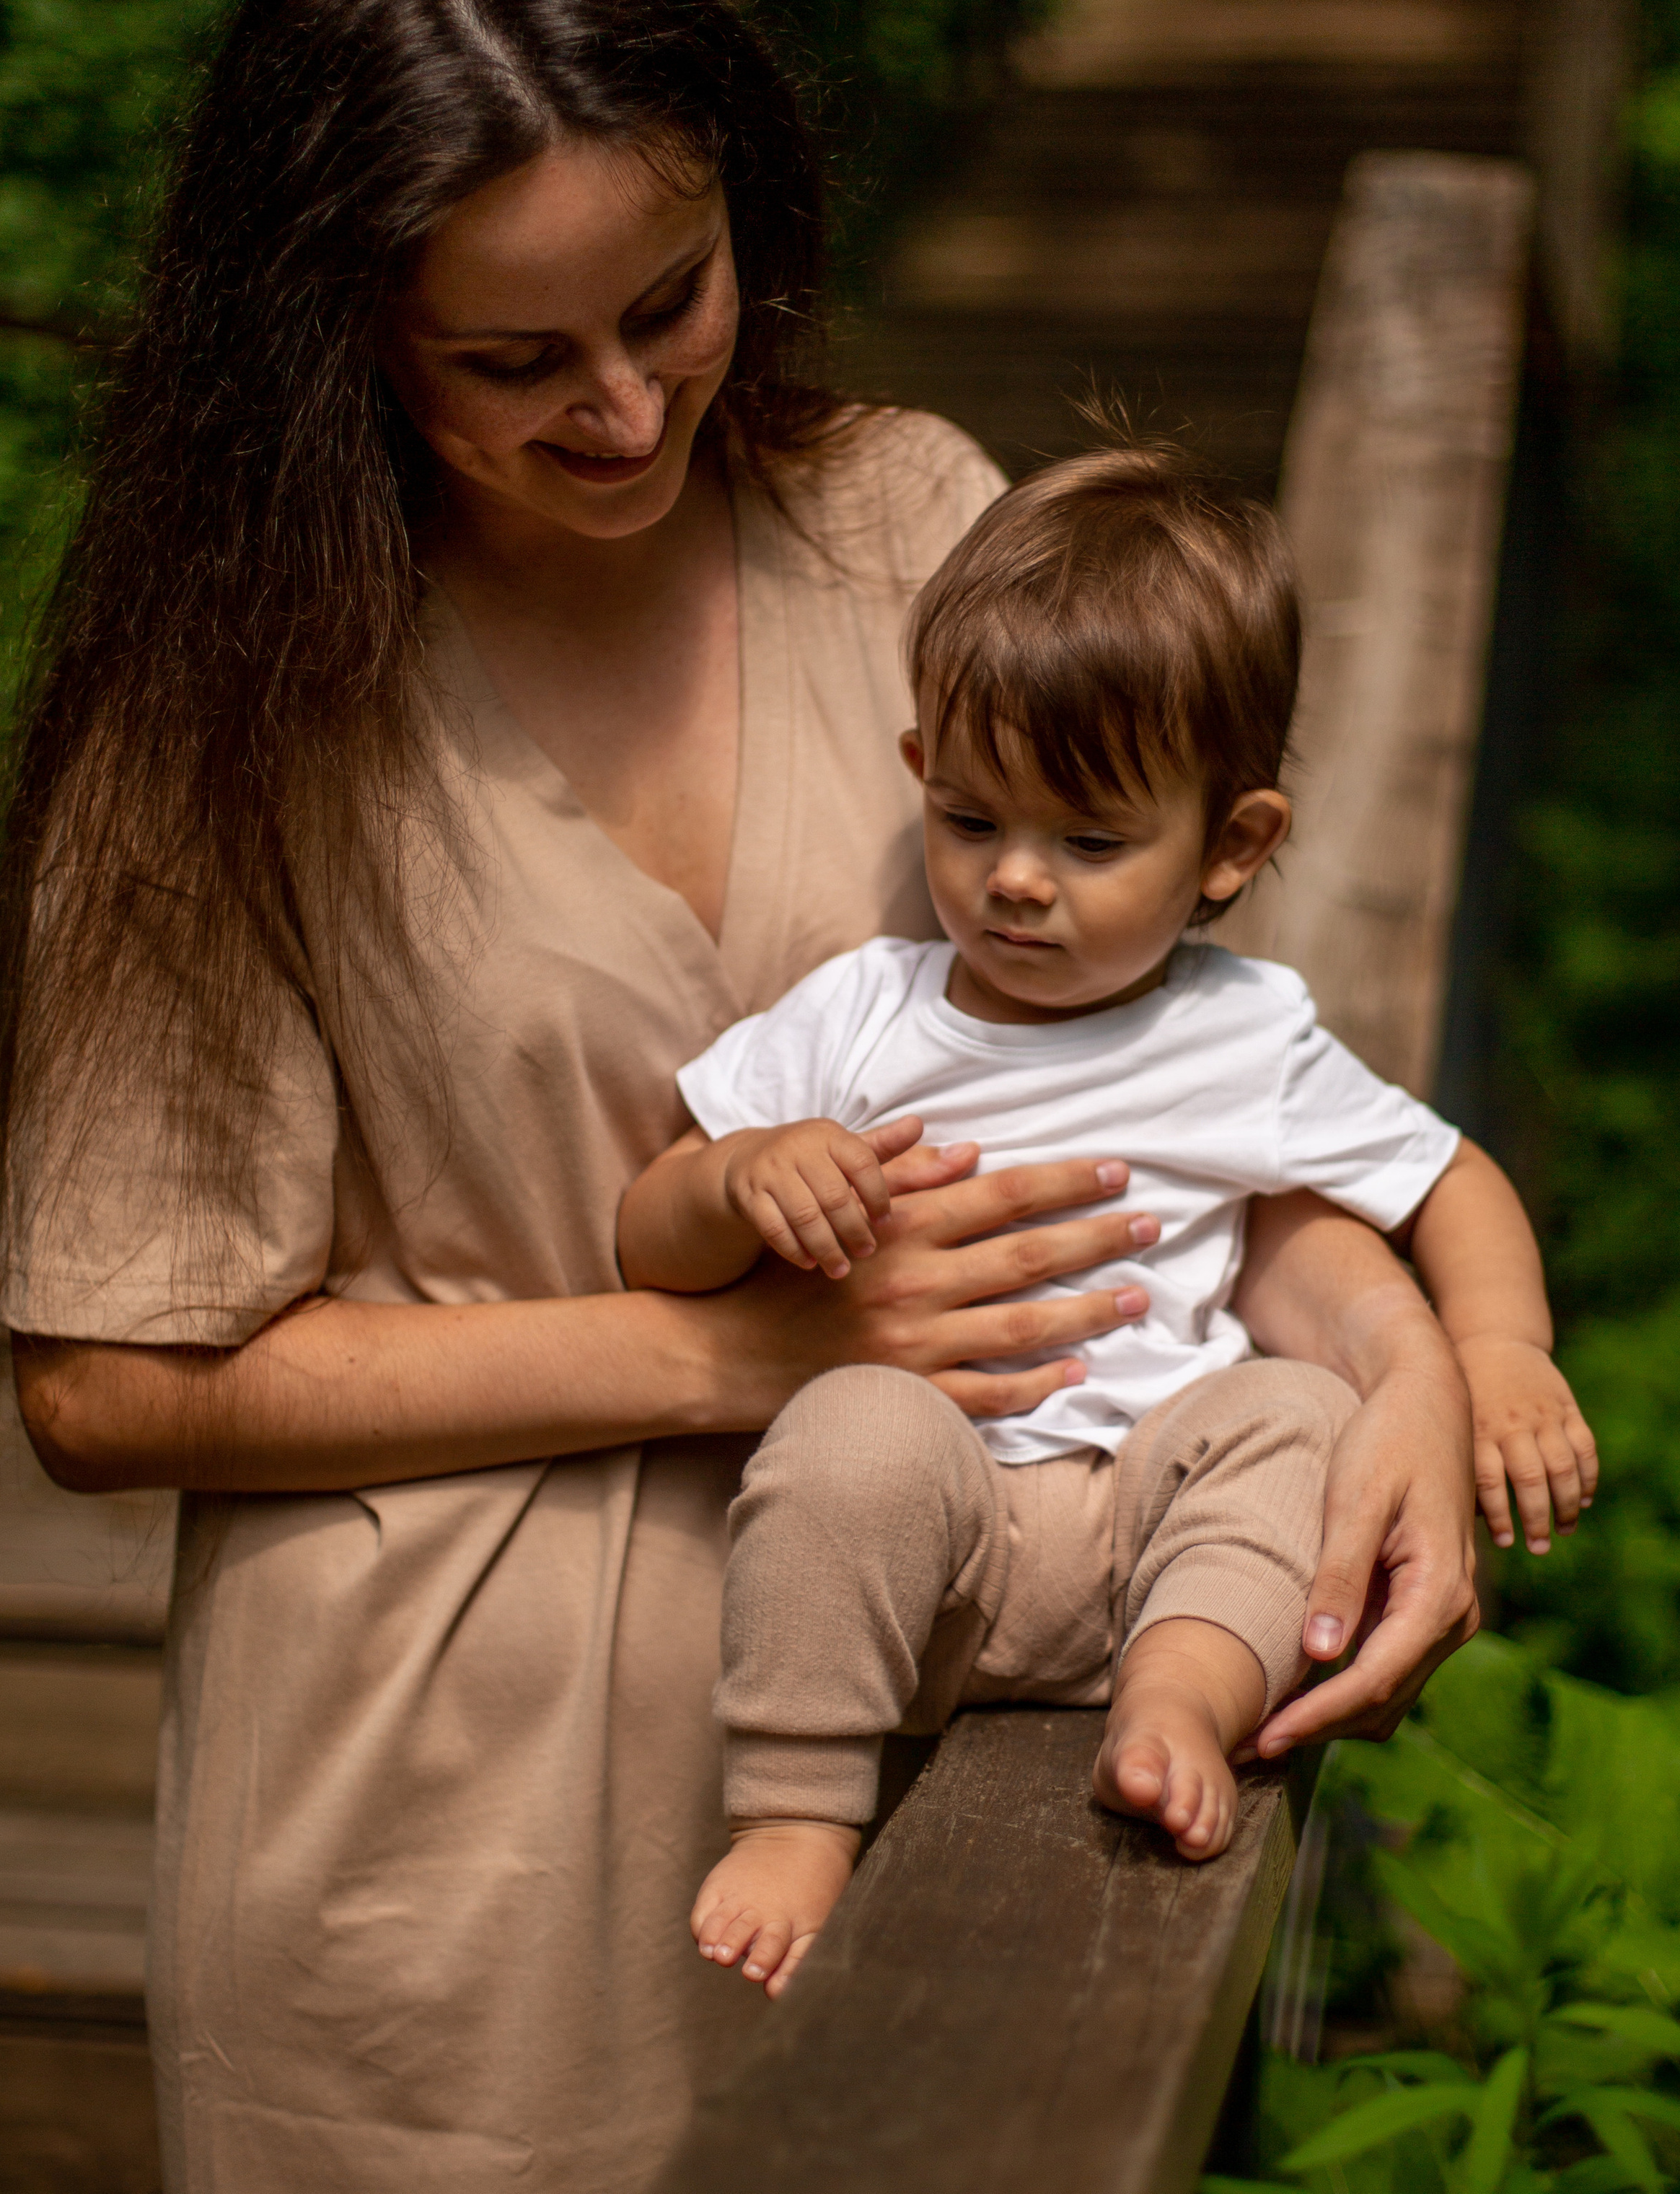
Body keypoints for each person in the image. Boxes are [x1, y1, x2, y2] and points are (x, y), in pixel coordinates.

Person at [0, 0, 1515, 2193]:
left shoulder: (908, 527)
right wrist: (728, 1354)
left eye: (667, 303)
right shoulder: (223, 715)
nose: (622, 408)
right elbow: (105, 1383)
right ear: (333, 331)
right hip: (438, 1845)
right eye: (514, 361)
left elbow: (1157, 1082)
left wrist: (1407, 1384)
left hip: (955, 1742)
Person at [618, 446, 1598, 1996]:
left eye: (1089, 843)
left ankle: (1179, 1697)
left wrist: (1500, 1352)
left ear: (1231, 846)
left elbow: (1449, 1178)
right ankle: (797, 1806)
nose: (1015, 882)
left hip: (1159, 1534)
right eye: (968, 819)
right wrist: (737, 1179)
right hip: (929, 1551)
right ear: (919, 767)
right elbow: (646, 1239)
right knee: (852, 1428)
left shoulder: (1242, 1035)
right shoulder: (863, 1012)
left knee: (1293, 1415)